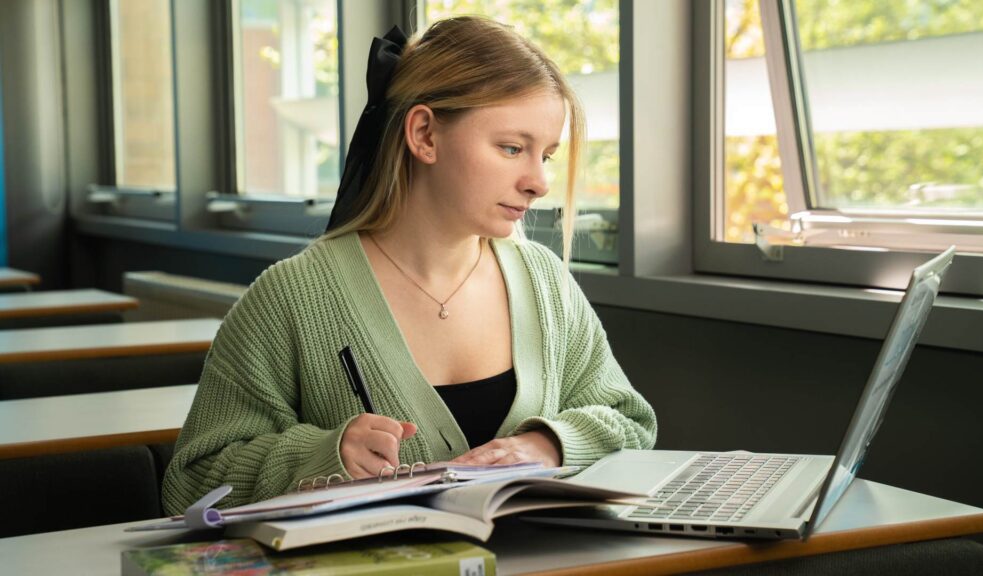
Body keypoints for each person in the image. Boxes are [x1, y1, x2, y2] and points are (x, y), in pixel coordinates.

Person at [162, 16, 656, 515]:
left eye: (546, 155)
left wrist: (550, 444)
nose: (539, 182)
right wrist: (323, 455)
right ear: (423, 135)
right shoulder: (290, 297)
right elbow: (193, 481)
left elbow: (628, 419)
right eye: (512, 148)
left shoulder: (545, 281)